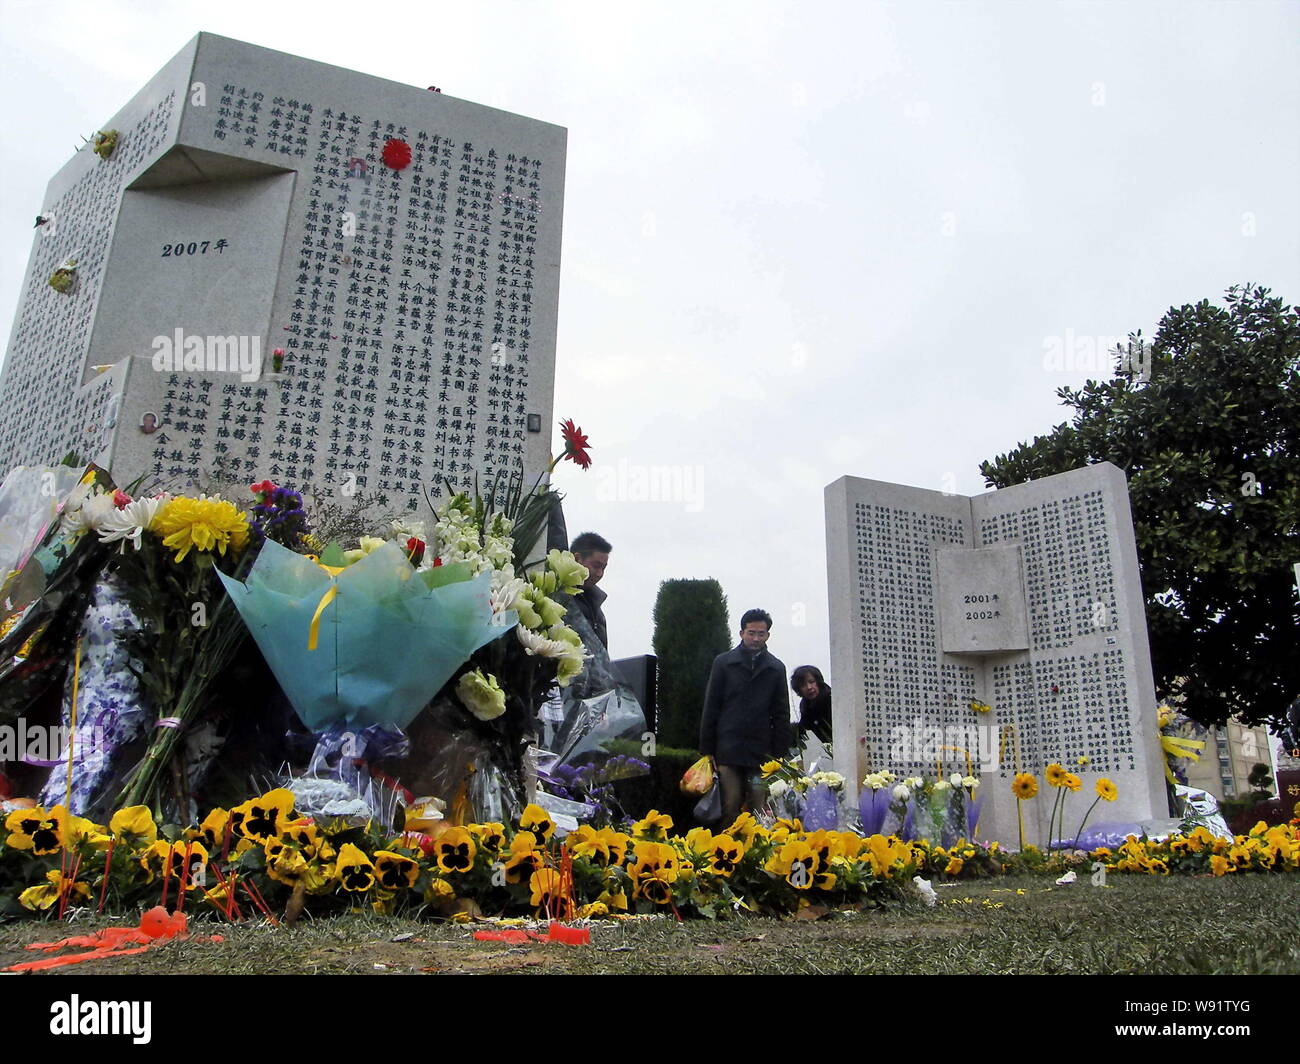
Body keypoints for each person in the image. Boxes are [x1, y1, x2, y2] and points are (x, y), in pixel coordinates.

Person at [699, 609, 791, 825]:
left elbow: (781, 713)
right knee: (729, 805)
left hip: (762, 752)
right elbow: (711, 706)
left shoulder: (776, 668)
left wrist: (780, 754)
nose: (756, 638)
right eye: (751, 633)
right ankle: (728, 853)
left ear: (768, 635)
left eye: (761, 633)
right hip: (728, 747)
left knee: (761, 809)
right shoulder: (723, 663)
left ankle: (760, 855)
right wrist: (707, 749)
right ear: (741, 633)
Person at [568, 531, 611, 651]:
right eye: (596, 566)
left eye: (604, 568)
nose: (600, 573)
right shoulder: (558, 598)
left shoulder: (597, 610)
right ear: (577, 559)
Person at [791, 665, 832, 746]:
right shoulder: (804, 706)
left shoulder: (832, 698)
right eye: (803, 685)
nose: (809, 687)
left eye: (812, 682)